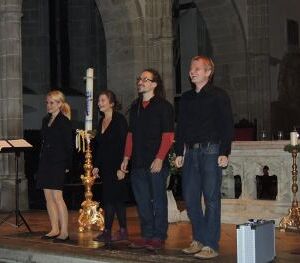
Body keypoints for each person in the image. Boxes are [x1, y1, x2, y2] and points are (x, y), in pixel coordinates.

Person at [174, 55, 234, 259]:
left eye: (197, 68)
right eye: (191, 68)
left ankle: (210, 244)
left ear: (208, 72)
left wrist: (225, 152)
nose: (192, 71)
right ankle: (198, 239)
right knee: (190, 199)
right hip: (190, 152)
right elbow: (180, 126)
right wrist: (178, 152)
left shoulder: (219, 95)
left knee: (211, 199)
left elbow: (227, 125)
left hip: (210, 151)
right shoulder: (187, 98)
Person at [120, 69, 174, 250]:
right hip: (138, 162)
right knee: (142, 201)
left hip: (156, 162)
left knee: (158, 200)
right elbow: (130, 135)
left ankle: (159, 235)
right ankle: (147, 234)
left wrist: (160, 158)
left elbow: (168, 136)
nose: (140, 82)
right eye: (139, 79)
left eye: (145, 79)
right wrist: (126, 157)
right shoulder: (135, 106)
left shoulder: (163, 106)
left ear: (154, 84)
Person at [36, 90, 72, 243]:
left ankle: (64, 232)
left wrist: (67, 165)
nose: (48, 105)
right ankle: (54, 229)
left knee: (57, 197)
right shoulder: (46, 120)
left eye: (52, 102)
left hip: (58, 163)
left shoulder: (64, 121)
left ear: (59, 104)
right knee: (48, 197)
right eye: (47, 102)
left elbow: (68, 146)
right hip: (46, 162)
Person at [92, 90, 129, 243]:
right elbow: (101, 147)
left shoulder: (119, 120)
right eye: (99, 101)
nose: (99, 103)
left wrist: (123, 168)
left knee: (116, 199)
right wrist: (96, 165)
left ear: (112, 103)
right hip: (106, 166)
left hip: (118, 165)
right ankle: (110, 230)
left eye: (102, 100)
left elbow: (125, 144)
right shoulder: (101, 121)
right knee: (108, 199)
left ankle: (120, 230)